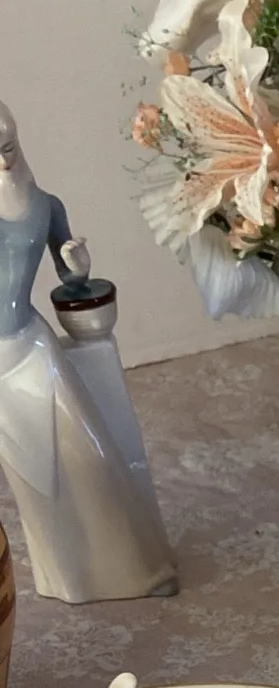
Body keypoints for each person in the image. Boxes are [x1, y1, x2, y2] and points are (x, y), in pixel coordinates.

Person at [0, 103, 175, 601]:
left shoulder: (44, 206)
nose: (3, 159)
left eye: (8, 146)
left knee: (90, 457)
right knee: (34, 477)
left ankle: (132, 571)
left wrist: (77, 264)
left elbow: (71, 275)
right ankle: (67, 577)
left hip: (32, 345)